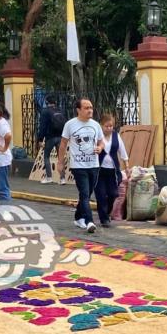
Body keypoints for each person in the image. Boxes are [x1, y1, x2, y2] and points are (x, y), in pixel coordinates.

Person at [57, 98, 104, 233]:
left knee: (87, 194)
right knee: (84, 193)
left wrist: (100, 148)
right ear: (78, 110)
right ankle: (89, 221)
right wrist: (61, 162)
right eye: (86, 108)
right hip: (78, 165)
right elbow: (63, 144)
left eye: (91, 107)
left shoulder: (95, 125)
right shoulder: (70, 125)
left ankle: (78, 217)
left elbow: (101, 142)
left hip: (93, 164)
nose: (90, 110)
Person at [94, 113, 130, 228]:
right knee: (101, 194)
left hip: (113, 171)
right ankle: (104, 218)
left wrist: (127, 165)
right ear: (101, 126)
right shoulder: (97, 137)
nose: (109, 128)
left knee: (113, 194)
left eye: (111, 126)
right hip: (99, 170)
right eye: (106, 126)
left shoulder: (116, 136)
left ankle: (107, 211)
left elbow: (122, 150)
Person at [36, 95, 66, 185]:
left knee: (46, 156)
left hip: (50, 137)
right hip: (61, 137)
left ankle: (49, 177)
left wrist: (40, 139)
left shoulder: (45, 112)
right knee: (60, 157)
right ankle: (62, 179)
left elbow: (42, 126)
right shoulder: (60, 110)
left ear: (47, 102)